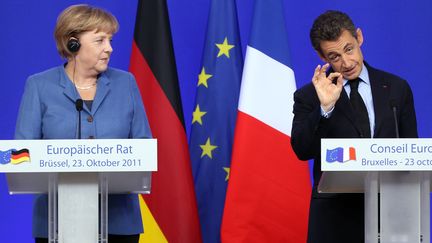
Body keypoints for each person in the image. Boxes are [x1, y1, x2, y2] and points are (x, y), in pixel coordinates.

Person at [14, 4, 151, 243]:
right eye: (100, 40)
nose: (109, 48)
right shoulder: (39, 86)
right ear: (72, 43)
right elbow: (21, 154)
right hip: (55, 223)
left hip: (119, 221)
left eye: (110, 40)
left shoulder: (126, 83)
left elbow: (143, 145)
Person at [291, 10, 418, 243]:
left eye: (349, 49)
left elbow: (411, 155)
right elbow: (302, 149)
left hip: (390, 216)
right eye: (334, 56)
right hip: (334, 221)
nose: (346, 63)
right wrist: (324, 108)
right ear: (322, 57)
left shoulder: (397, 88)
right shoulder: (309, 96)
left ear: (359, 37)